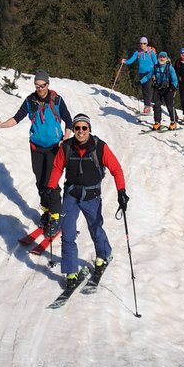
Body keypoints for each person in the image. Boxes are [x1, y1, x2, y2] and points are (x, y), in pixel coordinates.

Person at [46, 114, 128, 292]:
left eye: (84, 128)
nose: (81, 132)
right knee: (67, 233)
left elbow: (116, 169)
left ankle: (104, 255)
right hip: (71, 195)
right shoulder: (66, 147)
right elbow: (57, 168)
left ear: (89, 129)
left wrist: (121, 192)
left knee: (96, 230)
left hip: (91, 196)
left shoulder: (100, 147)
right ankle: (71, 272)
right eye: (77, 128)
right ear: (74, 129)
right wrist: (50, 188)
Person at [0, 69, 72, 234]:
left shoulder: (56, 100)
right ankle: (46, 212)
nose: (40, 89)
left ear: (47, 85)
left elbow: (68, 120)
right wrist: (1, 125)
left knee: (52, 182)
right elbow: (17, 118)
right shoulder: (30, 101)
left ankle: (56, 218)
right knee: (40, 181)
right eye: (37, 85)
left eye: (42, 85)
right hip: (36, 147)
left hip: (54, 148)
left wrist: (65, 138)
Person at [122, 37, 158, 114]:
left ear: (146, 44)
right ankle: (146, 106)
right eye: (141, 43)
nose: (142, 45)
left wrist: (155, 74)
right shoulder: (137, 52)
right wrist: (125, 61)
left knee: (147, 88)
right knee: (144, 89)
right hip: (141, 72)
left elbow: (155, 63)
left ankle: (147, 107)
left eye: (144, 43)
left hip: (150, 72)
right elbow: (131, 60)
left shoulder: (150, 52)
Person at [148, 51, 179, 130]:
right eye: (160, 57)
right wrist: (141, 81)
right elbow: (148, 76)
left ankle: (174, 120)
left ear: (166, 58)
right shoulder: (155, 67)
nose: (162, 59)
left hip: (168, 89)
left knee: (169, 105)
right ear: (158, 58)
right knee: (157, 105)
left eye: (163, 57)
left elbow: (175, 80)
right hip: (158, 88)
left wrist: (173, 87)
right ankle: (157, 122)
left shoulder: (170, 68)